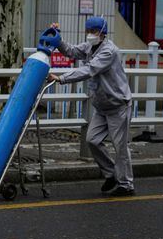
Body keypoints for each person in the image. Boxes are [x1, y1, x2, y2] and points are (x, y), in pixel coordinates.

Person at [48, 16, 134, 196]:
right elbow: (71, 51)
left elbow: (89, 70)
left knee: (120, 147)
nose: (89, 35)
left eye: (93, 32)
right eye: (88, 31)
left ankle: (125, 185)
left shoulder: (108, 51)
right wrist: (58, 39)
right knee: (92, 140)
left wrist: (62, 78)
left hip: (118, 105)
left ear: (103, 33)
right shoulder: (89, 47)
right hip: (102, 106)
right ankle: (111, 174)